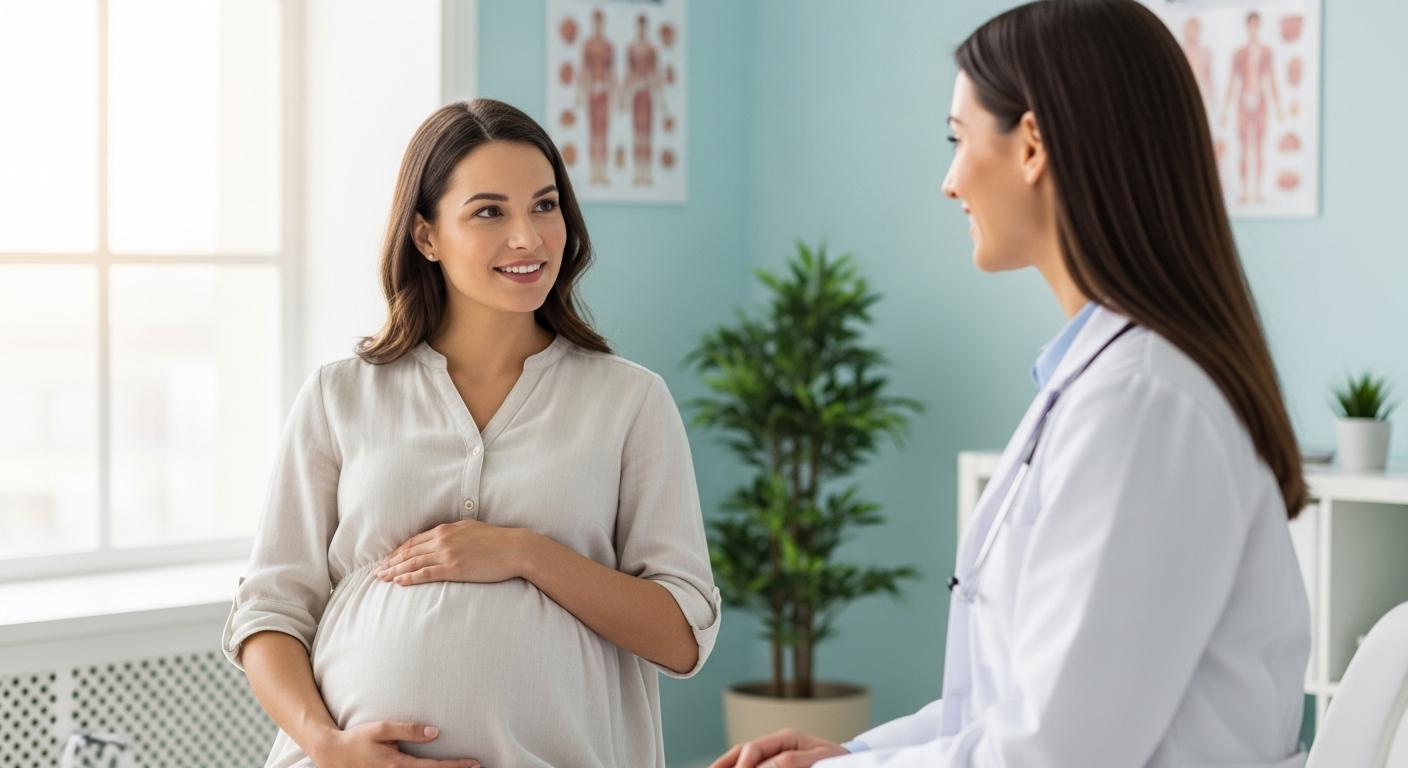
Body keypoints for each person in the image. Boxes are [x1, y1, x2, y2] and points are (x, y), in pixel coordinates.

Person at [712, 1, 1309, 766]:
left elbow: (1055, 752)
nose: (949, 181)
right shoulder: (1108, 381)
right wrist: (850, 756)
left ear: (1033, 145)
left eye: (959, 140)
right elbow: (1000, 711)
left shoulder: (1142, 403)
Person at [222, 99, 721, 768]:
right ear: (426, 236)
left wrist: (524, 554)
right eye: (490, 212)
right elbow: (269, 615)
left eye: (545, 207)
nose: (529, 237)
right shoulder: (339, 395)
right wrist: (328, 744)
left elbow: (682, 636)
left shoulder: (630, 402)